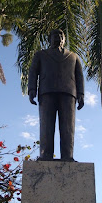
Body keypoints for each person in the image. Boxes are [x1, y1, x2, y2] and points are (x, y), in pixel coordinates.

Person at [28, 29, 84, 161]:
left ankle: (68, 156)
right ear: (49, 39)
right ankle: (45, 155)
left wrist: (81, 93)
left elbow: (79, 76)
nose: (58, 37)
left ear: (64, 39)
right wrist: (32, 89)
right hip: (47, 92)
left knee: (68, 127)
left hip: (69, 93)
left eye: (61, 35)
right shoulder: (41, 55)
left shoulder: (73, 56)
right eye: (54, 35)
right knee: (46, 125)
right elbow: (33, 72)